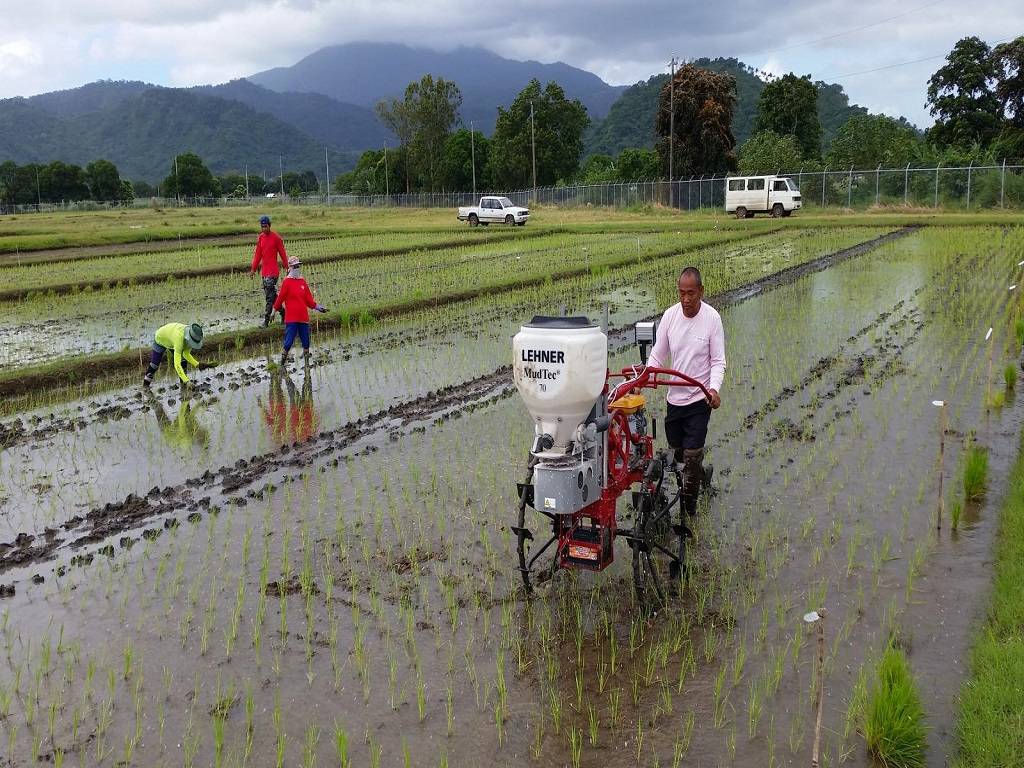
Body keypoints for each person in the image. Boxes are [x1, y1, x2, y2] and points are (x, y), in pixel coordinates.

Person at [646, 266, 725, 516]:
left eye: (691, 293)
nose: (686, 299)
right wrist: (647, 374)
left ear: (701, 291)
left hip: (699, 400)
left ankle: (688, 514)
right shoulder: (670, 317)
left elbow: (717, 361)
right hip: (675, 400)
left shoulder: (712, 319)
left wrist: (713, 389)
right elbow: (658, 355)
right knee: (679, 455)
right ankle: (703, 474)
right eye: (681, 293)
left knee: (690, 457)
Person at [272, 256, 328, 366]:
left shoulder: (302, 281)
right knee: (288, 342)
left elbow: (309, 301)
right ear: (290, 267)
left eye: (298, 265)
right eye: (295, 266)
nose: (297, 268)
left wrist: (319, 307)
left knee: (306, 342)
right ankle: (282, 364)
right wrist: (273, 311)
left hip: (303, 318)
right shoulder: (287, 282)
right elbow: (280, 298)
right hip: (292, 318)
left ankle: (307, 366)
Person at [251, 215, 289, 327]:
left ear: (270, 225)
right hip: (264, 272)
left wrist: (287, 267)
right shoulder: (261, 238)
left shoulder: (276, 238)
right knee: (272, 295)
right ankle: (283, 312)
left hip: (273, 272)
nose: (264, 229)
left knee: (269, 298)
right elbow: (258, 254)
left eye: (266, 226)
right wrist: (253, 269)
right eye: (262, 227)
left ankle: (266, 321)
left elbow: (283, 254)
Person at [143, 322, 204, 389]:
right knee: (154, 365)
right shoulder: (179, 338)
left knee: (183, 360)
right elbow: (177, 364)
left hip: (171, 339)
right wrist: (187, 381)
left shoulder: (192, 335)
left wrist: (198, 364)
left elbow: (186, 354)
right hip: (160, 338)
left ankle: (183, 385)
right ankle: (145, 387)